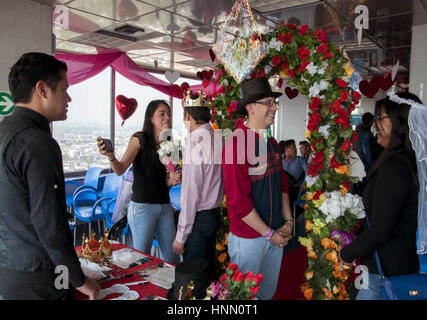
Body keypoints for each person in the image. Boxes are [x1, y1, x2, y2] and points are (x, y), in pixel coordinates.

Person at [0, 52, 100, 300]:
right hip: (42, 277)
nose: (68, 97)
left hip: (8, 271)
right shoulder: (38, 143)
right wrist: (78, 280)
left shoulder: (4, 130)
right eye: (64, 89)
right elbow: (50, 225)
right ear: (42, 89)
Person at [339, 92, 421, 300]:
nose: (375, 124)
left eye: (380, 118)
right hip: (389, 266)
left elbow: (381, 230)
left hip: (385, 272)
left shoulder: (396, 166)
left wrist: (347, 252)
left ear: (399, 121)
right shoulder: (400, 161)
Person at [222, 77, 293, 300]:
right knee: (244, 299)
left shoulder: (271, 143)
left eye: (274, 103)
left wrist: (288, 221)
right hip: (249, 239)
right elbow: (238, 203)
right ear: (250, 108)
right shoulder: (237, 144)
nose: (274, 108)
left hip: (275, 233)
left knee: (266, 294)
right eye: (269, 102)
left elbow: (282, 185)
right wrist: (270, 234)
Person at [97, 100, 181, 265]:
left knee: (172, 259)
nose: (167, 117)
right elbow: (120, 169)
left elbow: (164, 181)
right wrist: (111, 157)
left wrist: (172, 180)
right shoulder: (140, 139)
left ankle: (170, 290)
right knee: (142, 259)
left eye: (169, 114)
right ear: (151, 118)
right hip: (143, 208)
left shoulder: (171, 143)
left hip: (164, 206)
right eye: (161, 113)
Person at [172, 89, 224, 280]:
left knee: (193, 279)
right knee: (208, 273)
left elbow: (191, 194)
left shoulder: (195, 142)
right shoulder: (218, 138)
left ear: (188, 116)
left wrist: (181, 235)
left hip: (199, 220)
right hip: (213, 214)